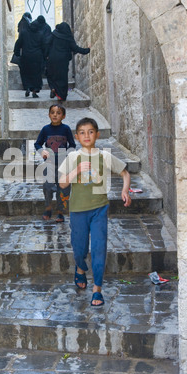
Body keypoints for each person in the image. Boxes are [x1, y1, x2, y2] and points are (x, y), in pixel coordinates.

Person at [59, 118, 132, 307]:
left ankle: (97, 289)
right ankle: (80, 268)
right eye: (82, 132)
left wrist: (125, 190)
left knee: (99, 248)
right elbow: (62, 183)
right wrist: (76, 171)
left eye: (90, 132)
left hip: (100, 208)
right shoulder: (73, 157)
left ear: (97, 135)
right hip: (77, 210)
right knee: (79, 248)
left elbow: (125, 172)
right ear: (76, 137)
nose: (86, 136)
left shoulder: (104, 156)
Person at [34, 104, 76, 223]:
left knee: (63, 189)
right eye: (52, 113)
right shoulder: (45, 129)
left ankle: (60, 212)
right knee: (47, 187)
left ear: (63, 116)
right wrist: (42, 152)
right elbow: (37, 143)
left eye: (58, 113)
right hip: (50, 164)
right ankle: (48, 209)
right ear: (49, 115)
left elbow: (72, 144)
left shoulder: (66, 129)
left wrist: (68, 155)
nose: (55, 115)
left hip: (63, 165)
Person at [46, 22, 90, 101]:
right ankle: (61, 95)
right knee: (62, 77)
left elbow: (47, 44)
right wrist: (87, 50)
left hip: (53, 58)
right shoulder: (68, 37)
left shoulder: (53, 34)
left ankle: (53, 88)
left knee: (52, 75)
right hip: (63, 60)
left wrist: (46, 56)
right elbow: (75, 48)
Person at [13, 19, 45, 98]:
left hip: (26, 56)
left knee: (26, 73)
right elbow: (44, 47)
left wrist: (17, 53)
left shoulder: (24, 33)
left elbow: (18, 43)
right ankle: (34, 91)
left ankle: (27, 87)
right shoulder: (40, 34)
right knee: (36, 74)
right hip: (37, 57)